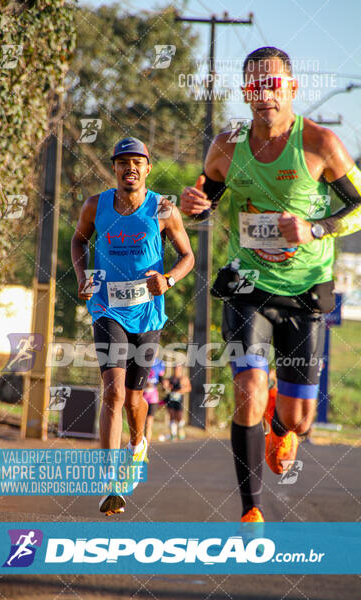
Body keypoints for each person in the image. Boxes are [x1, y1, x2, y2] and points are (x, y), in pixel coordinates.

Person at [180, 46, 361, 523]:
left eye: (273, 84)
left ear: (292, 88)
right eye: (256, 86)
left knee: (299, 418)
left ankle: (281, 424)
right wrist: (195, 203)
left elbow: (359, 206)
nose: (265, 94)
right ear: (246, 93)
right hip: (248, 285)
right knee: (248, 387)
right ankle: (251, 509)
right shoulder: (227, 146)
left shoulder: (321, 145)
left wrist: (316, 228)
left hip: (304, 292)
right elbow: (208, 197)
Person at [72, 137, 194, 516]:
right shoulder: (96, 205)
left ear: (148, 167)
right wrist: (82, 274)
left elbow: (188, 256)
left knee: (136, 399)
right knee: (113, 392)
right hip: (107, 309)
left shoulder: (163, 208)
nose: (131, 168)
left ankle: (138, 442)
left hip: (147, 315)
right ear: (115, 168)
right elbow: (79, 240)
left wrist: (169, 279)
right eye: (123, 162)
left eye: (137, 162)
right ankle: (109, 482)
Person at [163, 364, 191, 440]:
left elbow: (188, 388)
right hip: (171, 399)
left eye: (178, 369)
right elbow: (165, 386)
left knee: (179, 416)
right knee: (171, 415)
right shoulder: (170, 378)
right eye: (175, 369)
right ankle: (173, 434)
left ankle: (181, 431)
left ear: (181, 370)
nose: (176, 370)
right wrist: (166, 386)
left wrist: (181, 390)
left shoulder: (183, 378)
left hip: (179, 399)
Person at [144, 357, 165, 444]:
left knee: (149, 422)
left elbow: (161, 378)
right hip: (141, 395)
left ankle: (146, 444)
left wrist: (164, 385)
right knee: (140, 422)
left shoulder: (160, 363)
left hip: (153, 396)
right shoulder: (141, 360)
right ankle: (139, 443)